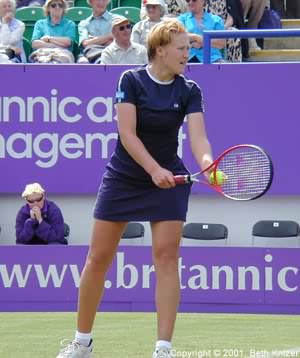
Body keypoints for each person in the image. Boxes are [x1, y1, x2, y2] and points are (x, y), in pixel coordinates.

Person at [56, 19, 215, 358]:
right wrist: (152, 169)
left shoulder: (190, 89)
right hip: (125, 177)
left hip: (169, 178)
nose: (188, 53)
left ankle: (163, 348)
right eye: (182, 48)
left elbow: (199, 138)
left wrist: (207, 165)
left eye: (189, 47)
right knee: (98, 258)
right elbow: (128, 135)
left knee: (167, 257)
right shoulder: (130, 80)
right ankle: (82, 342)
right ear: (160, 49)